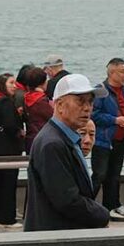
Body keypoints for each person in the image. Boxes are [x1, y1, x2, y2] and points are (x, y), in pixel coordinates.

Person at [24, 74, 110, 231]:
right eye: (80, 101)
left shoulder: (62, 138)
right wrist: (102, 215)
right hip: (55, 237)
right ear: (60, 105)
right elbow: (67, 200)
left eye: (90, 102)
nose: (87, 108)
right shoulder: (52, 144)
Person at [91, 59, 124, 221]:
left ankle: (112, 205)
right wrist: (115, 120)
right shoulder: (100, 91)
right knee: (100, 174)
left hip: (121, 139)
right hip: (103, 141)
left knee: (115, 175)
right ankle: (87, 204)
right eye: (122, 72)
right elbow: (93, 114)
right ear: (111, 73)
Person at [0, 72, 24, 228]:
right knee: (8, 182)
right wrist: (19, 129)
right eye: (11, 83)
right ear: (3, 85)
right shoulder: (6, 102)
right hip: (8, 148)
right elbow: (10, 125)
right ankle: (7, 218)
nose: (14, 86)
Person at [21, 67, 53, 153]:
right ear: (43, 82)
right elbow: (53, 118)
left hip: (30, 138)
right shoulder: (41, 100)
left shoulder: (27, 97)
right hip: (43, 139)